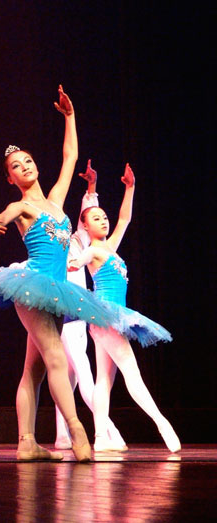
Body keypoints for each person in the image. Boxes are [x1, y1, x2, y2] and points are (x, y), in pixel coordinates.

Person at [0, 86, 113, 462]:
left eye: (27, 161)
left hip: (58, 291)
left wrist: (70, 117)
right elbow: (2, 216)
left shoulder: (55, 200)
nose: (24, 166)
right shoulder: (21, 205)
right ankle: (77, 432)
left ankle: (26, 442)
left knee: (34, 369)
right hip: (32, 288)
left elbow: (70, 156)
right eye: (15, 166)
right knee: (57, 358)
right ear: (10, 178)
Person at [68, 162, 181, 453]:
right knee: (132, 372)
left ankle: (100, 437)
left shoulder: (111, 247)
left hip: (110, 317)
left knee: (104, 379)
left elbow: (124, 219)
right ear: (85, 226)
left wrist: (130, 187)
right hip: (106, 316)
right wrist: (73, 262)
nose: (103, 221)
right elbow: (78, 261)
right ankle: (161, 422)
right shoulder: (92, 250)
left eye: (104, 216)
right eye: (96, 218)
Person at [54, 160, 127, 452]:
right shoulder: (51, 248)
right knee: (82, 370)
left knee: (69, 373)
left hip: (76, 309)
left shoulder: (76, 240)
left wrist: (92, 188)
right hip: (64, 310)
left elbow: (88, 218)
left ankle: (62, 434)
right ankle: (108, 430)